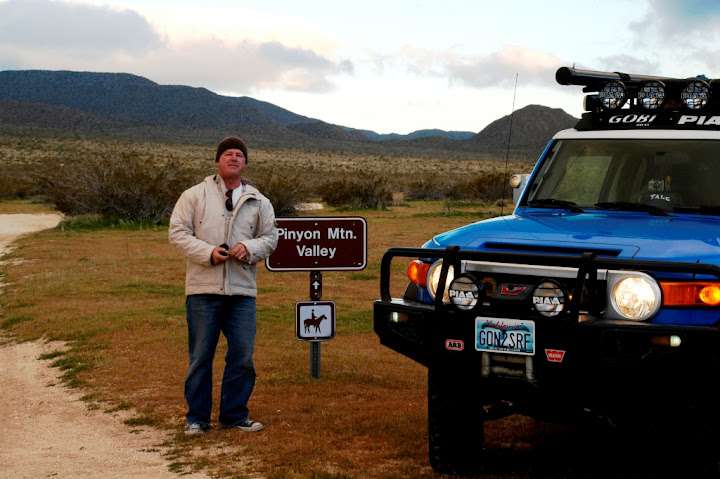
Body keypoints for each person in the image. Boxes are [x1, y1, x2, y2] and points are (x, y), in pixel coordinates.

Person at [169, 137, 278, 435]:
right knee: (201, 356)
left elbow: (271, 237)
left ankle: (233, 415)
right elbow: (177, 232)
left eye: (239, 155)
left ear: (245, 163)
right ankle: (197, 419)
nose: (233, 158)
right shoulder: (194, 196)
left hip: (242, 292)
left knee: (242, 355)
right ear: (217, 161)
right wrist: (207, 253)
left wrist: (249, 247)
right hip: (203, 290)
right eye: (228, 154)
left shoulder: (259, 201)